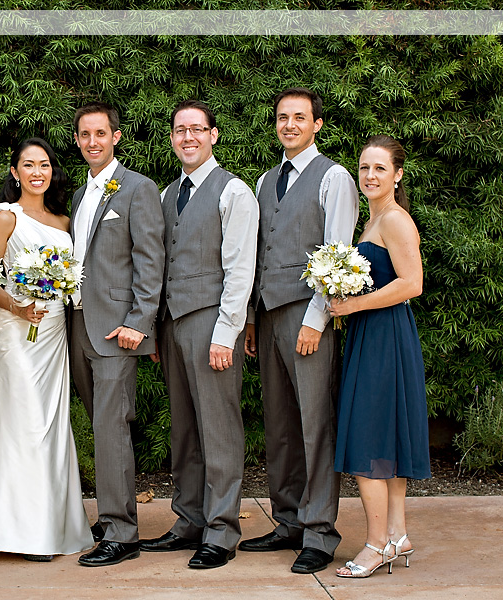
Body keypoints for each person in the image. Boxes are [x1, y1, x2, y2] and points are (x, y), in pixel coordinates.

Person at [0, 138, 94, 562]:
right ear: (15, 172)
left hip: (52, 334)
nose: (37, 172)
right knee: (22, 420)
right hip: (15, 331)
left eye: (44, 164)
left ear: (52, 171)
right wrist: (17, 303)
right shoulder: (5, 217)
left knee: (50, 423)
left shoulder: (64, 221)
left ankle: (47, 527)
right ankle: (11, 528)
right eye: (28, 165)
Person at [240, 87, 358, 574]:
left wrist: (316, 318)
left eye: (300, 118)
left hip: (306, 317)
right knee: (280, 424)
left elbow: (337, 254)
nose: (290, 125)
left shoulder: (334, 177)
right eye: (283, 118)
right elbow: (253, 253)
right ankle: (287, 519)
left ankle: (319, 531)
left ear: (317, 125)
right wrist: (250, 318)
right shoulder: (267, 180)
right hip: (268, 315)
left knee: (314, 425)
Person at [140, 100, 258, 569]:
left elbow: (240, 268)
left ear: (213, 135)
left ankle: (222, 529)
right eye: (179, 130)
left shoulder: (234, 192)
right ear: (172, 138)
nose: (187, 137)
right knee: (185, 429)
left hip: (212, 323)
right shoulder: (168, 194)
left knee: (219, 428)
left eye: (196, 129)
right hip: (172, 325)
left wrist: (225, 333)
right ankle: (188, 519)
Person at [69, 102, 166, 567]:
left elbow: (151, 261)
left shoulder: (138, 189)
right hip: (78, 328)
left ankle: (123, 534)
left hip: (115, 330)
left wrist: (139, 320)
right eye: (85, 134)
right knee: (99, 425)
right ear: (77, 140)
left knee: (112, 427)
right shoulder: (79, 195)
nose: (93, 142)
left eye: (100, 134)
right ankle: (111, 518)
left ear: (117, 137)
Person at [330, 135, 430, 578]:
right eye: (364, 168)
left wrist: (351, 305)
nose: (369, 176)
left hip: (385, 337)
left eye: (379, 169)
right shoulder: (373, 220)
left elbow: (412, 283)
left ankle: (374, 546)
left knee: (368, 437)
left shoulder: (395, 220)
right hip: (373, 334)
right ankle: (396, 535)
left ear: (398, 175)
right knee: (383, 435)